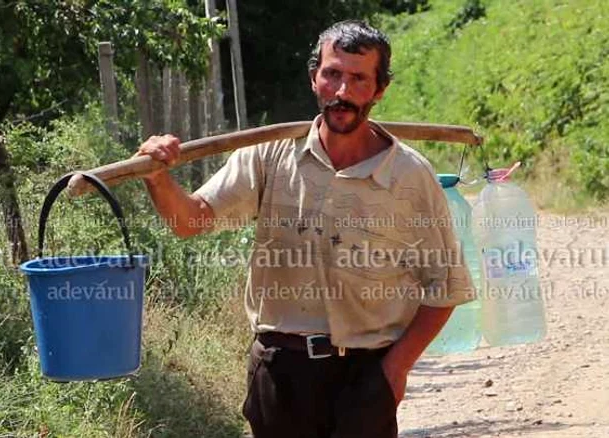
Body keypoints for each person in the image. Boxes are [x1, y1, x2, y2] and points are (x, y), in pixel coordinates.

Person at [135, 20, 474, 438]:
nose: (343, 92)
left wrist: (394, 370)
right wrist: (158, 178)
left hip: (366, 376)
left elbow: (447, 286)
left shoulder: (408, 176)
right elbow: (190, 221)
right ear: (314, 77)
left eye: (358, 79)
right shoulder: (270, 155)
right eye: (332, 74)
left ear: (380, 89)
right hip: (281, 373)